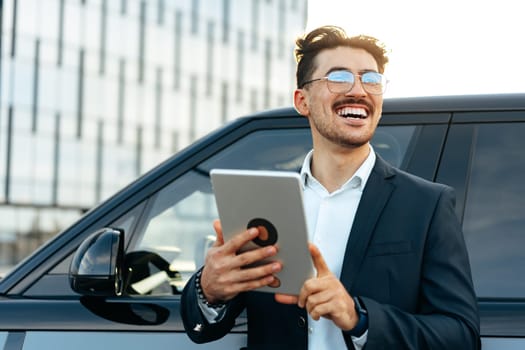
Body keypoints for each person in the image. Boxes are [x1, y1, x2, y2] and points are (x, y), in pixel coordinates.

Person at [181, 25, 480, 349]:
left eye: (371, 79)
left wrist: (360, 317)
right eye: (339, 77)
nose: (359, 90)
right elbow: (203, 326)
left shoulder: (426, 205)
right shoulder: (265, 202)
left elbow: (462, 336)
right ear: (302, 100)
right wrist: (208, 288)